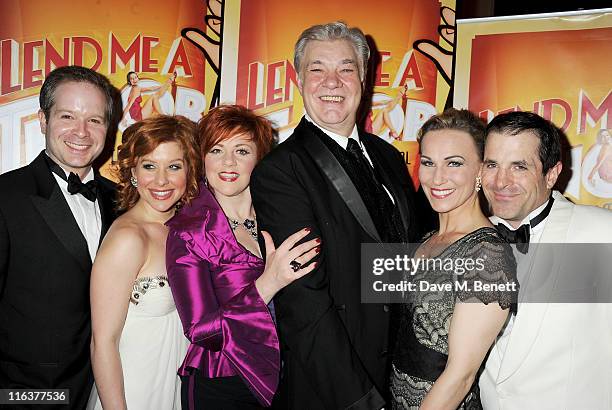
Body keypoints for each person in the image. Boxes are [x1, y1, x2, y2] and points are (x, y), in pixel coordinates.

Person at [250, 22, 420, 409]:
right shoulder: (282, 170)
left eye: (346, 69)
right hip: (336, 389)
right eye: (317, 69)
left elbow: (401, 262)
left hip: (401, 375)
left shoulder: (388, 158)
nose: (332, 81)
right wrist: (360, 399)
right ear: (298, 79)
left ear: (364, 78)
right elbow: (304, 302)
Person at [166, 105, 320, 409]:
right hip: (223, 381)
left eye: (242, 150)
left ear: (260, 157)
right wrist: (268, 283)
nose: (228, 162)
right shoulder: (188, 232)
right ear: (201, 158)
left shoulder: (280, 216)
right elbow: (201, 330)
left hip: (289, 375)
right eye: (216, 150)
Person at [0, 65, 118, 409]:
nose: (81, 132)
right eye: (68, 116)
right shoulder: (7, 196)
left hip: (109, 388)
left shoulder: (123, 202)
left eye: (95, 120)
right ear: (43, 120)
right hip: (28, 395)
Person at [479, 111, 612, 409]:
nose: (501, 181)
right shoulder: (464, 241)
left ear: (551, 174)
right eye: (492, 164)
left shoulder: (603, 233)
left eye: (519, 166)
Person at [390, 108, 517, 409]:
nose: (437, 178)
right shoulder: (426, 239)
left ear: (480, 171)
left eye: (454, 163)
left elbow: (461, 376)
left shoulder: (488, 254)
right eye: (429, 163)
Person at [88, 115, 199, 409]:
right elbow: (103, 343)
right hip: (133, 392)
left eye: (174, 166)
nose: (161, 180)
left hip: (175, 386)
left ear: (189, 171)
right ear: (133, 171)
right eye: (149, 165)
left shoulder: (185, 230)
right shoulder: (128, 238)